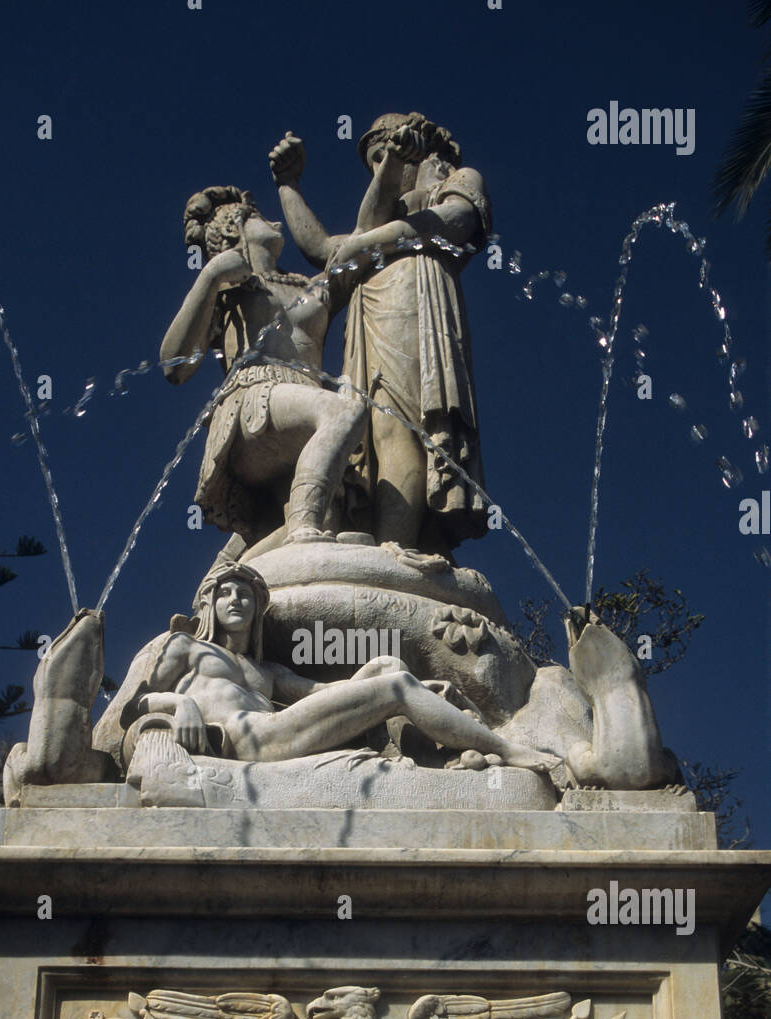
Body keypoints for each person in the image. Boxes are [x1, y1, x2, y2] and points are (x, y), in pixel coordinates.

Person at [269, 114, 491, 552]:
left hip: (413, 296)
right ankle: (385, 543)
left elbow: (454, 221)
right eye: (374, 161)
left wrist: (364, 243)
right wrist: (288, 185)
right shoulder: (375, 223)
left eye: (391, 153)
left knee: (405, 422)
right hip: (370, 315)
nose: (382, 168)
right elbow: (325, 249)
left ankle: (398, 546)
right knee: (368, 430)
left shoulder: (458, 178)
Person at [116, 562, 559, 772]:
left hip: (276, 733)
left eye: (246, 595)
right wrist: (178, 705)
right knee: (398, 687)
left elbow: (318, 695)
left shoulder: (267, 671)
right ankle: (508, 750)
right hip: (239, 740)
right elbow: (132, 704)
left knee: (387, 665)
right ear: (210, 603)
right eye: (227, 593)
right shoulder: (187, 647)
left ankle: (443, 747)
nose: (237, 600)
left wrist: (375, 677)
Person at [160, 185, 364, 553]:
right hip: (256, 401)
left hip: (301, 407)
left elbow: (357, 246)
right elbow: (174, 365)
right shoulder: (229, 288)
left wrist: (289, 183)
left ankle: (224, 577)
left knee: (329, 522)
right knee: (344, 410)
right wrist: (211, 277)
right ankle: (304, 529)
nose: (274, 221)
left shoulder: (314, 287)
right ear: (231, 229)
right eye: (257, 216)